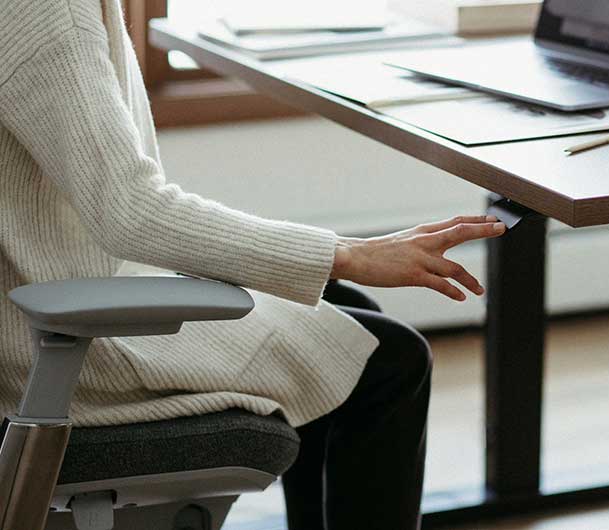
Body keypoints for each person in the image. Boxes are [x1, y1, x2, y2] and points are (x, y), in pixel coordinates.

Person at [0, 1, 505, 529]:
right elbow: (131, 213)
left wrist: (338, 264)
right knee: (391, 360)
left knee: (347, 311)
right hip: (55, 343)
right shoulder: (48, 12)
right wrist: (350, 253)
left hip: (56, 293)